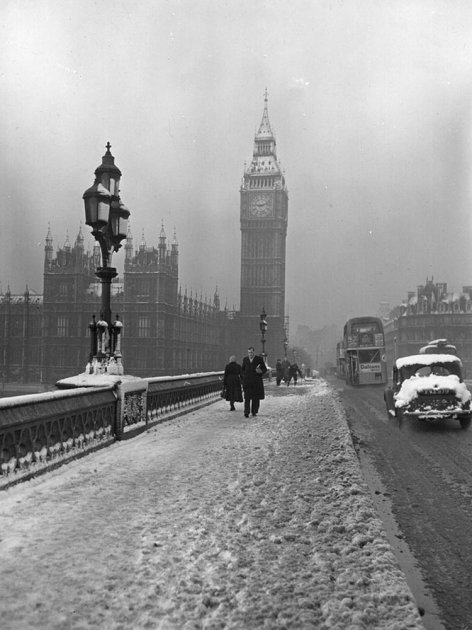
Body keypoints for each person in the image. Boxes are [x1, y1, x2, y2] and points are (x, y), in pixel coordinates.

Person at [241, 346, 267, 417]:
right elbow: (242, 369)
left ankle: (254, 411)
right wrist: (243, 377)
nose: (250, 354)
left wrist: (260, 371)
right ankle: (246, 412)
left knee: (255, 398)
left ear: (254, 352)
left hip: (256, 382)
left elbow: (264, 369)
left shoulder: (259, 359)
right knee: (247, 398)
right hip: (247, 382)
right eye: (249, 353)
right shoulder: (245, 359)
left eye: (251, 352)